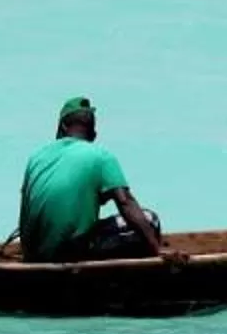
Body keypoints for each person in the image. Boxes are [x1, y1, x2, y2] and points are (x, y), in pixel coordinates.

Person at [18, 97, 178, 263]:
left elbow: (26, 211)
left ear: (63, 127)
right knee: (149, 220)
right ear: (93, 135)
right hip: (70, 253)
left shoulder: (35, 158)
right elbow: (125, 203)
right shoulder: (101, 156)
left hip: (34, 254)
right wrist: (156, 249)